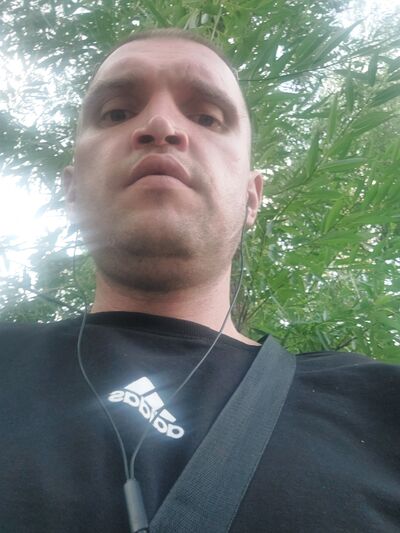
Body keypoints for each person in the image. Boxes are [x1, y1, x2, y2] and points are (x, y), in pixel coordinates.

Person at [0, 28, 399, 533]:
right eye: (117, 113)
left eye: (207, 117)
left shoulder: (383, 411)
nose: (161, 126)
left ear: (252, 197)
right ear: (72, 189)